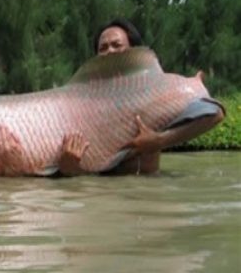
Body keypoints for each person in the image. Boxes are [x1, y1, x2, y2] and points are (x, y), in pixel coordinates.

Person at [59, 18, 225, 175]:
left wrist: (159, 140)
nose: (110, 51)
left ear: (133, 50)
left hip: (146, 194)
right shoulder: (82, 103)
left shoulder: (157, 91)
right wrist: (70, 167)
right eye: (103, 48)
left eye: (116, 45)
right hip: (104, 194)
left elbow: (215, 113)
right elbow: (86, 178)